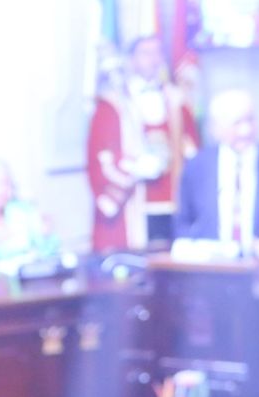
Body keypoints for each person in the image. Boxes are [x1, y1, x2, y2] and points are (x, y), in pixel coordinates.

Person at [87, 35, 200, 252]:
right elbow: (100, 154)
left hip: (171, 200)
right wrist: (134, 167)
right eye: (145, 53)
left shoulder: (178, 101)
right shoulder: (112, 104)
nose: (153, 59)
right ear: (131, 60)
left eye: (157, 52)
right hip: (134, 204)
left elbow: (193, 147)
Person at [175, 88, 259, 263]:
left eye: (250, 120)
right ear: (215, 128)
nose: (246, 131)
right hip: (211, 273)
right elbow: (182, 224)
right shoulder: (196, 166)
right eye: (237, 123)